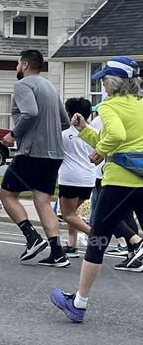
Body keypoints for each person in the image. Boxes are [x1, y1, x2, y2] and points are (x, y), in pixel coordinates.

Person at [53, 57, 143, 322]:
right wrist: (84, 130)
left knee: (97, 241)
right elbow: (114, 138)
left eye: (104, 80)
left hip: (118, 183)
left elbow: (116, 136)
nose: (102, 84)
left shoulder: (109, 106)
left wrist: (100, 152)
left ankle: (78, 304)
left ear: (113, 82)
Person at [0, 49, 71, 267]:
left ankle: (32, 237)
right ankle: (58, 253)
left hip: (32, 152)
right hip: (54, 153)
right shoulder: (50, 87)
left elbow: (30, 112)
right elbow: (65, 122)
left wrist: (14, 134)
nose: (17, 67)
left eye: (18, 63)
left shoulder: (23, 85)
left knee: (7, 194)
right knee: (42, 200)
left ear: (25, 65)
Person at [58, 98, 96, 258]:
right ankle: (72, 245)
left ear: (69, 114)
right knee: (73, 213)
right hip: (89, 178)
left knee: (67, 215)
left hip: (70, 179)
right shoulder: (94, 133)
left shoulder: (64, 135)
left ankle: (95, 235)